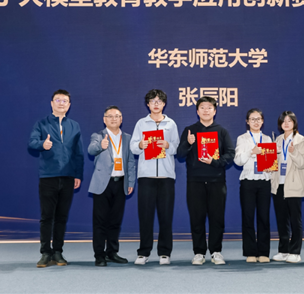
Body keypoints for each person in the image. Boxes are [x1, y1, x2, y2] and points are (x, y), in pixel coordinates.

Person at [28, 89, 84, 268]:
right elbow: (31, 143)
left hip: (68, 177)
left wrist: (78, 175)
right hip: (48, 177)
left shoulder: (74, 126)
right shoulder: (42, 123)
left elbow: (79, 154)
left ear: (69, 105)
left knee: (62, 217)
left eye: (64, 100)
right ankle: (46, 252)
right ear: (52, 103)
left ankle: (58, 251)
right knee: (47, 217)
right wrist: (42, 144)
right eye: (58, 100)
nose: (61, 103)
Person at [177, 96, 235, 266]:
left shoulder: (222, 131)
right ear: (197, 111)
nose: (206, 110)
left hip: (217, 181)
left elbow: (230, 154)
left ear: (214, 111)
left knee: (217, 218)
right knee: (197, 217)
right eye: (202, 107)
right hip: (195, 181)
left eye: (209, 107)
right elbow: (179, 154)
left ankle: (216, 251)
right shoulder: (190, 130)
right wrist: (188, 143)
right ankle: (199, 252)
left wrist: (215, 162)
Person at [130, 89, 179, 266]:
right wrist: (140, 145)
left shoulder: (171, 124)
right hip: (146, 176)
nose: (156, 104)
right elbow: (132, 147)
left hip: (166, 176)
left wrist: (167, 145)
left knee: (166, 216)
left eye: (159, 101)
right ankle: (143, 252)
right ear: (148, 104)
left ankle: (165, 252)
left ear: (164, 104)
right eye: (152, 101)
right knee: (145, 216)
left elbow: (177, 147)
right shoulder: (141, 123)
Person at [87, 106, 136, 267]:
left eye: (117, 116)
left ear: (121, 119)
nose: (114, 119)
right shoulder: (98, 136)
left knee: (115, 221)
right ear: (104, 119)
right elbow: (91, 150)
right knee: (100, 221)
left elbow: (130, 161)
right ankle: (99, 255)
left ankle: (112, 252)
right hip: (103, 184)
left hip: (121, 183)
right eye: (110, 116)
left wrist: (131, 182)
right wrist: (100, 146)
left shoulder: (127, 138)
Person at [270, 111, 304, 263]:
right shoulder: (277, 140)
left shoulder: (301, 140)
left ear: (294, 123)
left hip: (293, 184)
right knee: (281, 219)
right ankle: (283, 250)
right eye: (283, 121)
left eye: (289, 121)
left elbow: (303, 163)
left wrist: (292, 152)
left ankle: (295, 251)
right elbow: (272, 163)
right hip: (278, 184)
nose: (286, 123)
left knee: (295, 219)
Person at [234, 109, 273, 263]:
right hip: (248, 181)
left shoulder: (268, 138)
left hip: (264, 181)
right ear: (247, 121)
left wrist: (270, 167)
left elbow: (271, 162)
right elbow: (238, 161)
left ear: (262, 121)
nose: (256, 122)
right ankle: (250, 252)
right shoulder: (242, 138)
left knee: (264, 217)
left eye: (258, 119)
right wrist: (252, 151)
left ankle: (263, 252)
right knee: (248, 217)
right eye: (252, 119)